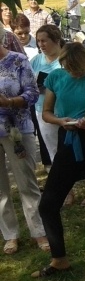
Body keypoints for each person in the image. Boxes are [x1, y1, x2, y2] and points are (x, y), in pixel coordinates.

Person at [33, 42, 85, 277]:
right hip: (69, 140)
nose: (73, 72)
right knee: (48, 203)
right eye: (68, 67)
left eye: (76, 68)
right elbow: (46, 112)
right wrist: (61, 121)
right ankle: (59, 259)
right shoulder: (56, 77)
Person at [0, 38, 49, 255]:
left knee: (27, 182)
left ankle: (39, 231)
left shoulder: (18, 60)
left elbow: (33, 93)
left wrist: (10, 102)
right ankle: (10, 234)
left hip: (17, 129)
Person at [30, 25, 64, 177]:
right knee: (53, 149)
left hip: (67, 108)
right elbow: (28, 83)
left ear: (56, 40)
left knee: (74, 147)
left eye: (44, 41)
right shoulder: (36, 60)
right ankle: (63, 184)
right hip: (43, 110)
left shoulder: (67, 59)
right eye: (38, 41)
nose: (41, 45)